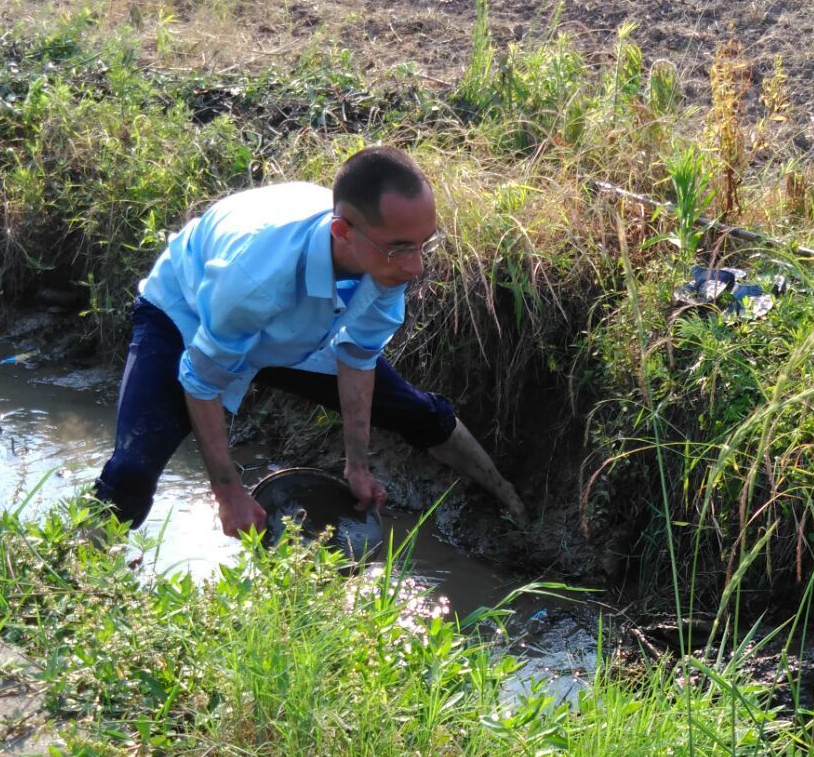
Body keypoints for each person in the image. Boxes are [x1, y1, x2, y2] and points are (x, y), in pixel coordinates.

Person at [93, 145, 527, 538]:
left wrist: (357, 465)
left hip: (298, 323)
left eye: (423, 245)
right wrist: (228, 493)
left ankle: (507, 498)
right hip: (187, 312)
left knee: (414, 410)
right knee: (132, 469)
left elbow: (357, 355)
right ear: (343, 233)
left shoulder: (386, 256)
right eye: (401, 250)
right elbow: (202, 381)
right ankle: (74, 570)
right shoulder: (256, 279)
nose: (415, 267)